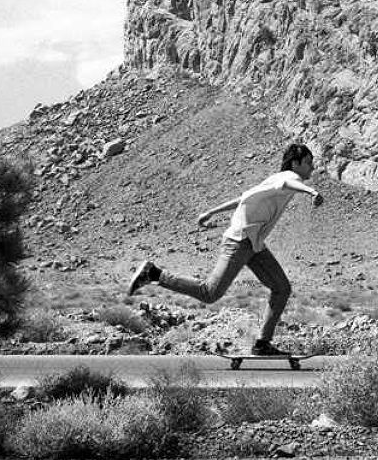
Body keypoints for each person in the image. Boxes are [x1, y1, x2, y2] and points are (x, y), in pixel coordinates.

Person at [126, 143, 324, 356]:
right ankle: (154, 273)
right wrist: (312, 192)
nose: (312, 168)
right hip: (239, 241)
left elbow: (244, 198)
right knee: (209, 293)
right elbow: (289, 181)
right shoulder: (287, 177)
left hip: (254, 243)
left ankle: (262, 344)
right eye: (308, 163)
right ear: (295, 164)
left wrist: (211, 212)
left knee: (282, 288)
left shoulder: (273, 181)